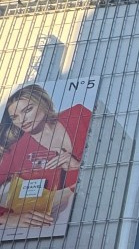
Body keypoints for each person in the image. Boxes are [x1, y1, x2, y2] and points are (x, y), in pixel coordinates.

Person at [0, 84, 91, 233]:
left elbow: (123, 152)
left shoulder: (79, 115)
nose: (22, 120)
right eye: (14, 117)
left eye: (27, 110)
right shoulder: (17, 151)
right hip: (70, 225)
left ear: (44, 103)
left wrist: (78, 166)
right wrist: (6, 218)